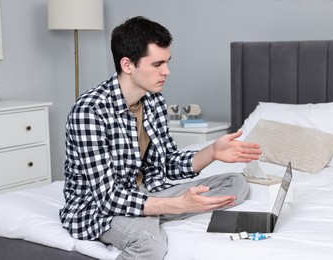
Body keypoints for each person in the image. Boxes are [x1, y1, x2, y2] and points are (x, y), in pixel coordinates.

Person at [60, 16, 261, 260]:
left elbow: (166, 164)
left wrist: (212, 152)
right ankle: (155, 215)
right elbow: (108, 198)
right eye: (157, 64)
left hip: (146, 192)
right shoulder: (90, 111)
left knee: (235, 184)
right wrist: (179, 205)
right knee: (149, 245)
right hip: (100, 209)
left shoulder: (154, 100)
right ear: (127, 64)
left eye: (167, 62)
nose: (167, 71)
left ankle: (154, 212)